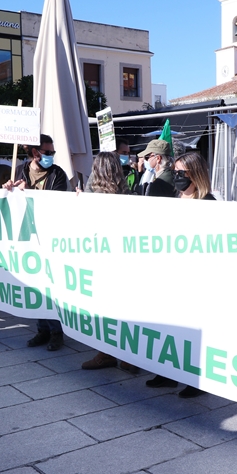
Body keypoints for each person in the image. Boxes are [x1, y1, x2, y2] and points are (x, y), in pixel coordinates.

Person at [154, 151, 215, 398]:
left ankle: (195, 380)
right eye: (175, 172)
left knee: (192, 330)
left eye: (182, 173)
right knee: (171, 326)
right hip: (172, 275)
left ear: (195, 174)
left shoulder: (209, 202)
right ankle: (167, 373)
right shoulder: (173, 198)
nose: (177, 177)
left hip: (196, 278)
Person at [4, 134, 70, 349]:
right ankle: (42, 329)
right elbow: (10, 201)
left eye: (52, 152)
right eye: (48, 152)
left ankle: (56, 332)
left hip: (49, 237)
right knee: (33, 285)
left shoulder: (58, 173)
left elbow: (54, 202)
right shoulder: (19, 170)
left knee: (49, 287)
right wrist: (9, 189)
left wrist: (28, 193)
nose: (51, 155)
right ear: (35, 153)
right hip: (26, 237)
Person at [80, 152, 139, 372]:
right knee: (123, 310)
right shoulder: (130, 197)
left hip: (101, 263)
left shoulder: (89, 200)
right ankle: (125, 356)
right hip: (122, 264)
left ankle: (108, 353)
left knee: (104, 311)